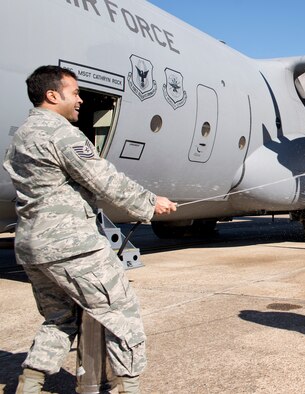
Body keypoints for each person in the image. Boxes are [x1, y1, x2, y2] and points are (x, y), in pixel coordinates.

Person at [3, 65, 178, 393]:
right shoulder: (61, 133)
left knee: (60, 319)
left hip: (30, 244)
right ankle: (130, 386)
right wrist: (150, 202)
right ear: (53, 95)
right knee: (121, 311)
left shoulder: (24, 135)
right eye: (75, 93)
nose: (81, 99)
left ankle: (29, 383)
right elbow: (103, 177)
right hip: (70, 243)